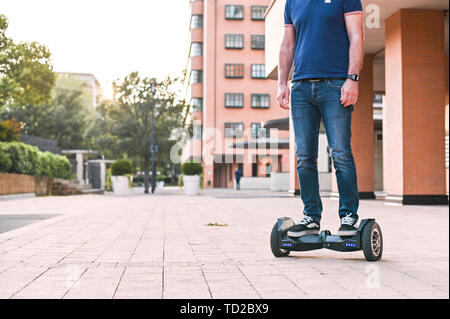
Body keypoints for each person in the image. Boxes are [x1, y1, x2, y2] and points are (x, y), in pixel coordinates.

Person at [277, 0, 364, 237]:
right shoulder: (292, 2)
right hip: (302, 87)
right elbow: (287, 45)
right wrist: (282, 82)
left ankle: (348, 217)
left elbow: (357, 36)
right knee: (304, 156)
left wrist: (352, 79)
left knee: (340, 153)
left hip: (336, 84)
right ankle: (311, 216)